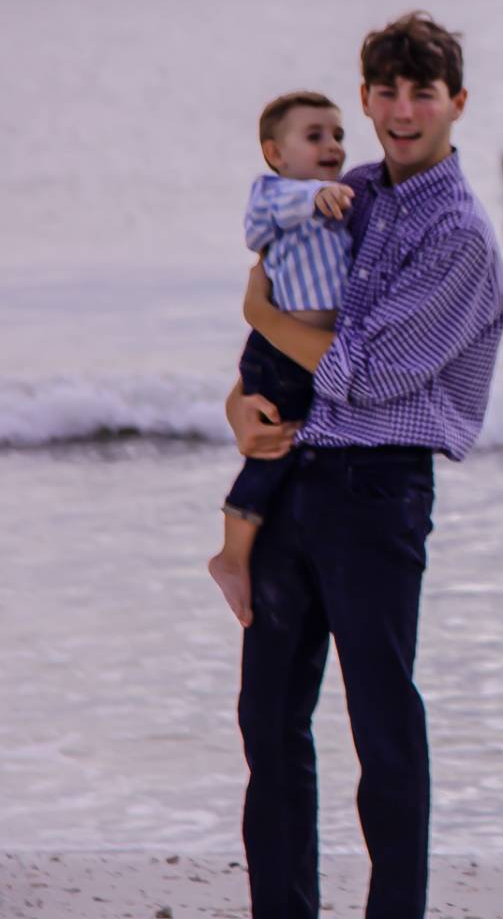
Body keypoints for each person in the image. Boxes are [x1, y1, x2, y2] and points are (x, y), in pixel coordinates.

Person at [224, 11, 503, 919]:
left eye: (420, 92)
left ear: (455, 103)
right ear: (364, 98)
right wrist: (239, 405)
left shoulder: (461, 235)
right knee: (269, 724)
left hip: (379, 489)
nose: (400, 109)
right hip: (296, 473)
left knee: (382, 725)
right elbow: (290, 318)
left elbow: (373, 371)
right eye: (384, 91)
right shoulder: (350, 191)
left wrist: (261, 315)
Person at [208, 91, 355, 627]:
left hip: (304, 354)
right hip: (277, 351)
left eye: (338, 135)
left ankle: (252, 546)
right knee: (272, 449)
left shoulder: (341, 197)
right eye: (314, 136)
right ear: (274, 153)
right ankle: (231, 554)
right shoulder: (276, 196)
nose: (331, 145)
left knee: (290, 450)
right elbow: (258, 226)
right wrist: (315, 198)